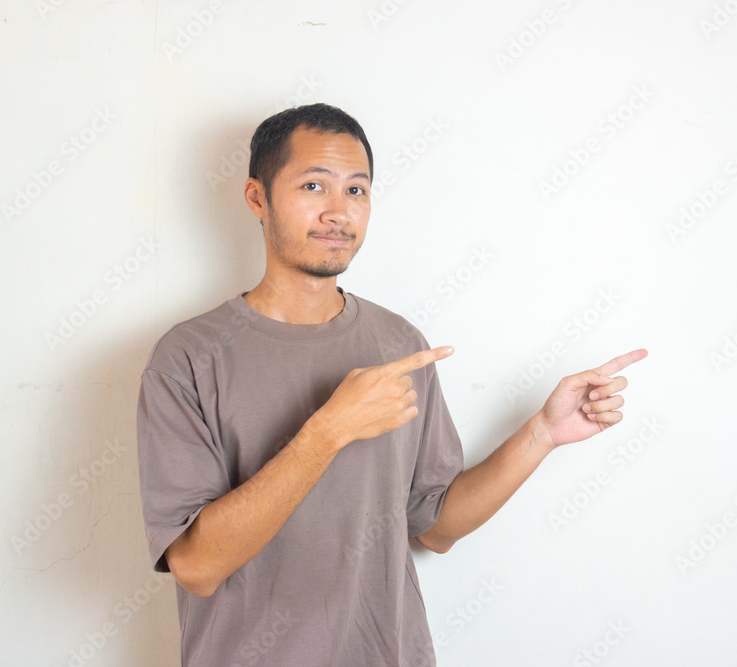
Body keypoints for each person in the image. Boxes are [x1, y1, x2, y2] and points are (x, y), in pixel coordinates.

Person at [136, 102, 647, 666]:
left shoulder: (398, 343)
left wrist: (543, 434)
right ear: (258, 197)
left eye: (357, 191)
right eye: (313, 185)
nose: (338, 212)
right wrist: (328, 431)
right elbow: (196, 566)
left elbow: (436, 526)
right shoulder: (189, 356)